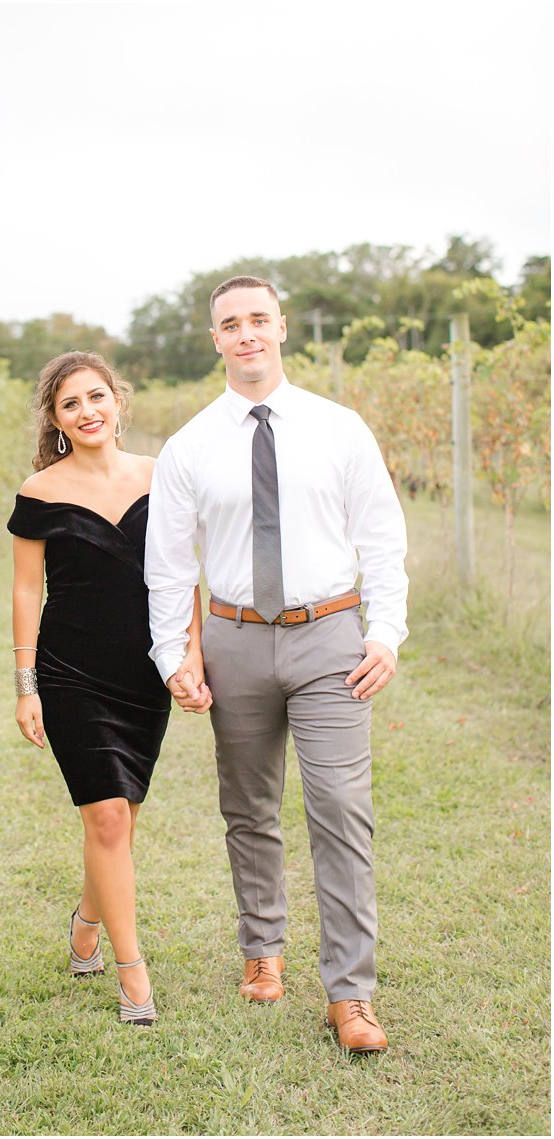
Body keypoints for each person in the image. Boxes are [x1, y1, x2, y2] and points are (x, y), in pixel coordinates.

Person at [145, 275, 408, 1055]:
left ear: (282, 327)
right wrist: (172, 656)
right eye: (231, 323)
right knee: (249, 807)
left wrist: (385, 631)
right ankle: (263, 949)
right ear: (216, 339)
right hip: (232, 640)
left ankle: (350, 995)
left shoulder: (340, 428)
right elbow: (167, 566)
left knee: (339, 808)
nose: (247, 333)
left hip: (330, 637)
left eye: (259, 318)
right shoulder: (190, 445)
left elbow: (383, 535)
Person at [9, 351, 207, 1027]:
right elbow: (24, 589)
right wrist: (26, 683)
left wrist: (191, 659)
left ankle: (87, 919)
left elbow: (185, 578)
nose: (87, 411)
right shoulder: (39, 492)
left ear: (117, 400)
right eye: (71, 403)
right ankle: (133, 975)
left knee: (123, 817)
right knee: (108, 818)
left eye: (96, 396)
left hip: (143, 673)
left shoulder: (163, 476)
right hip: (70, 672)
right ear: (56, 420)